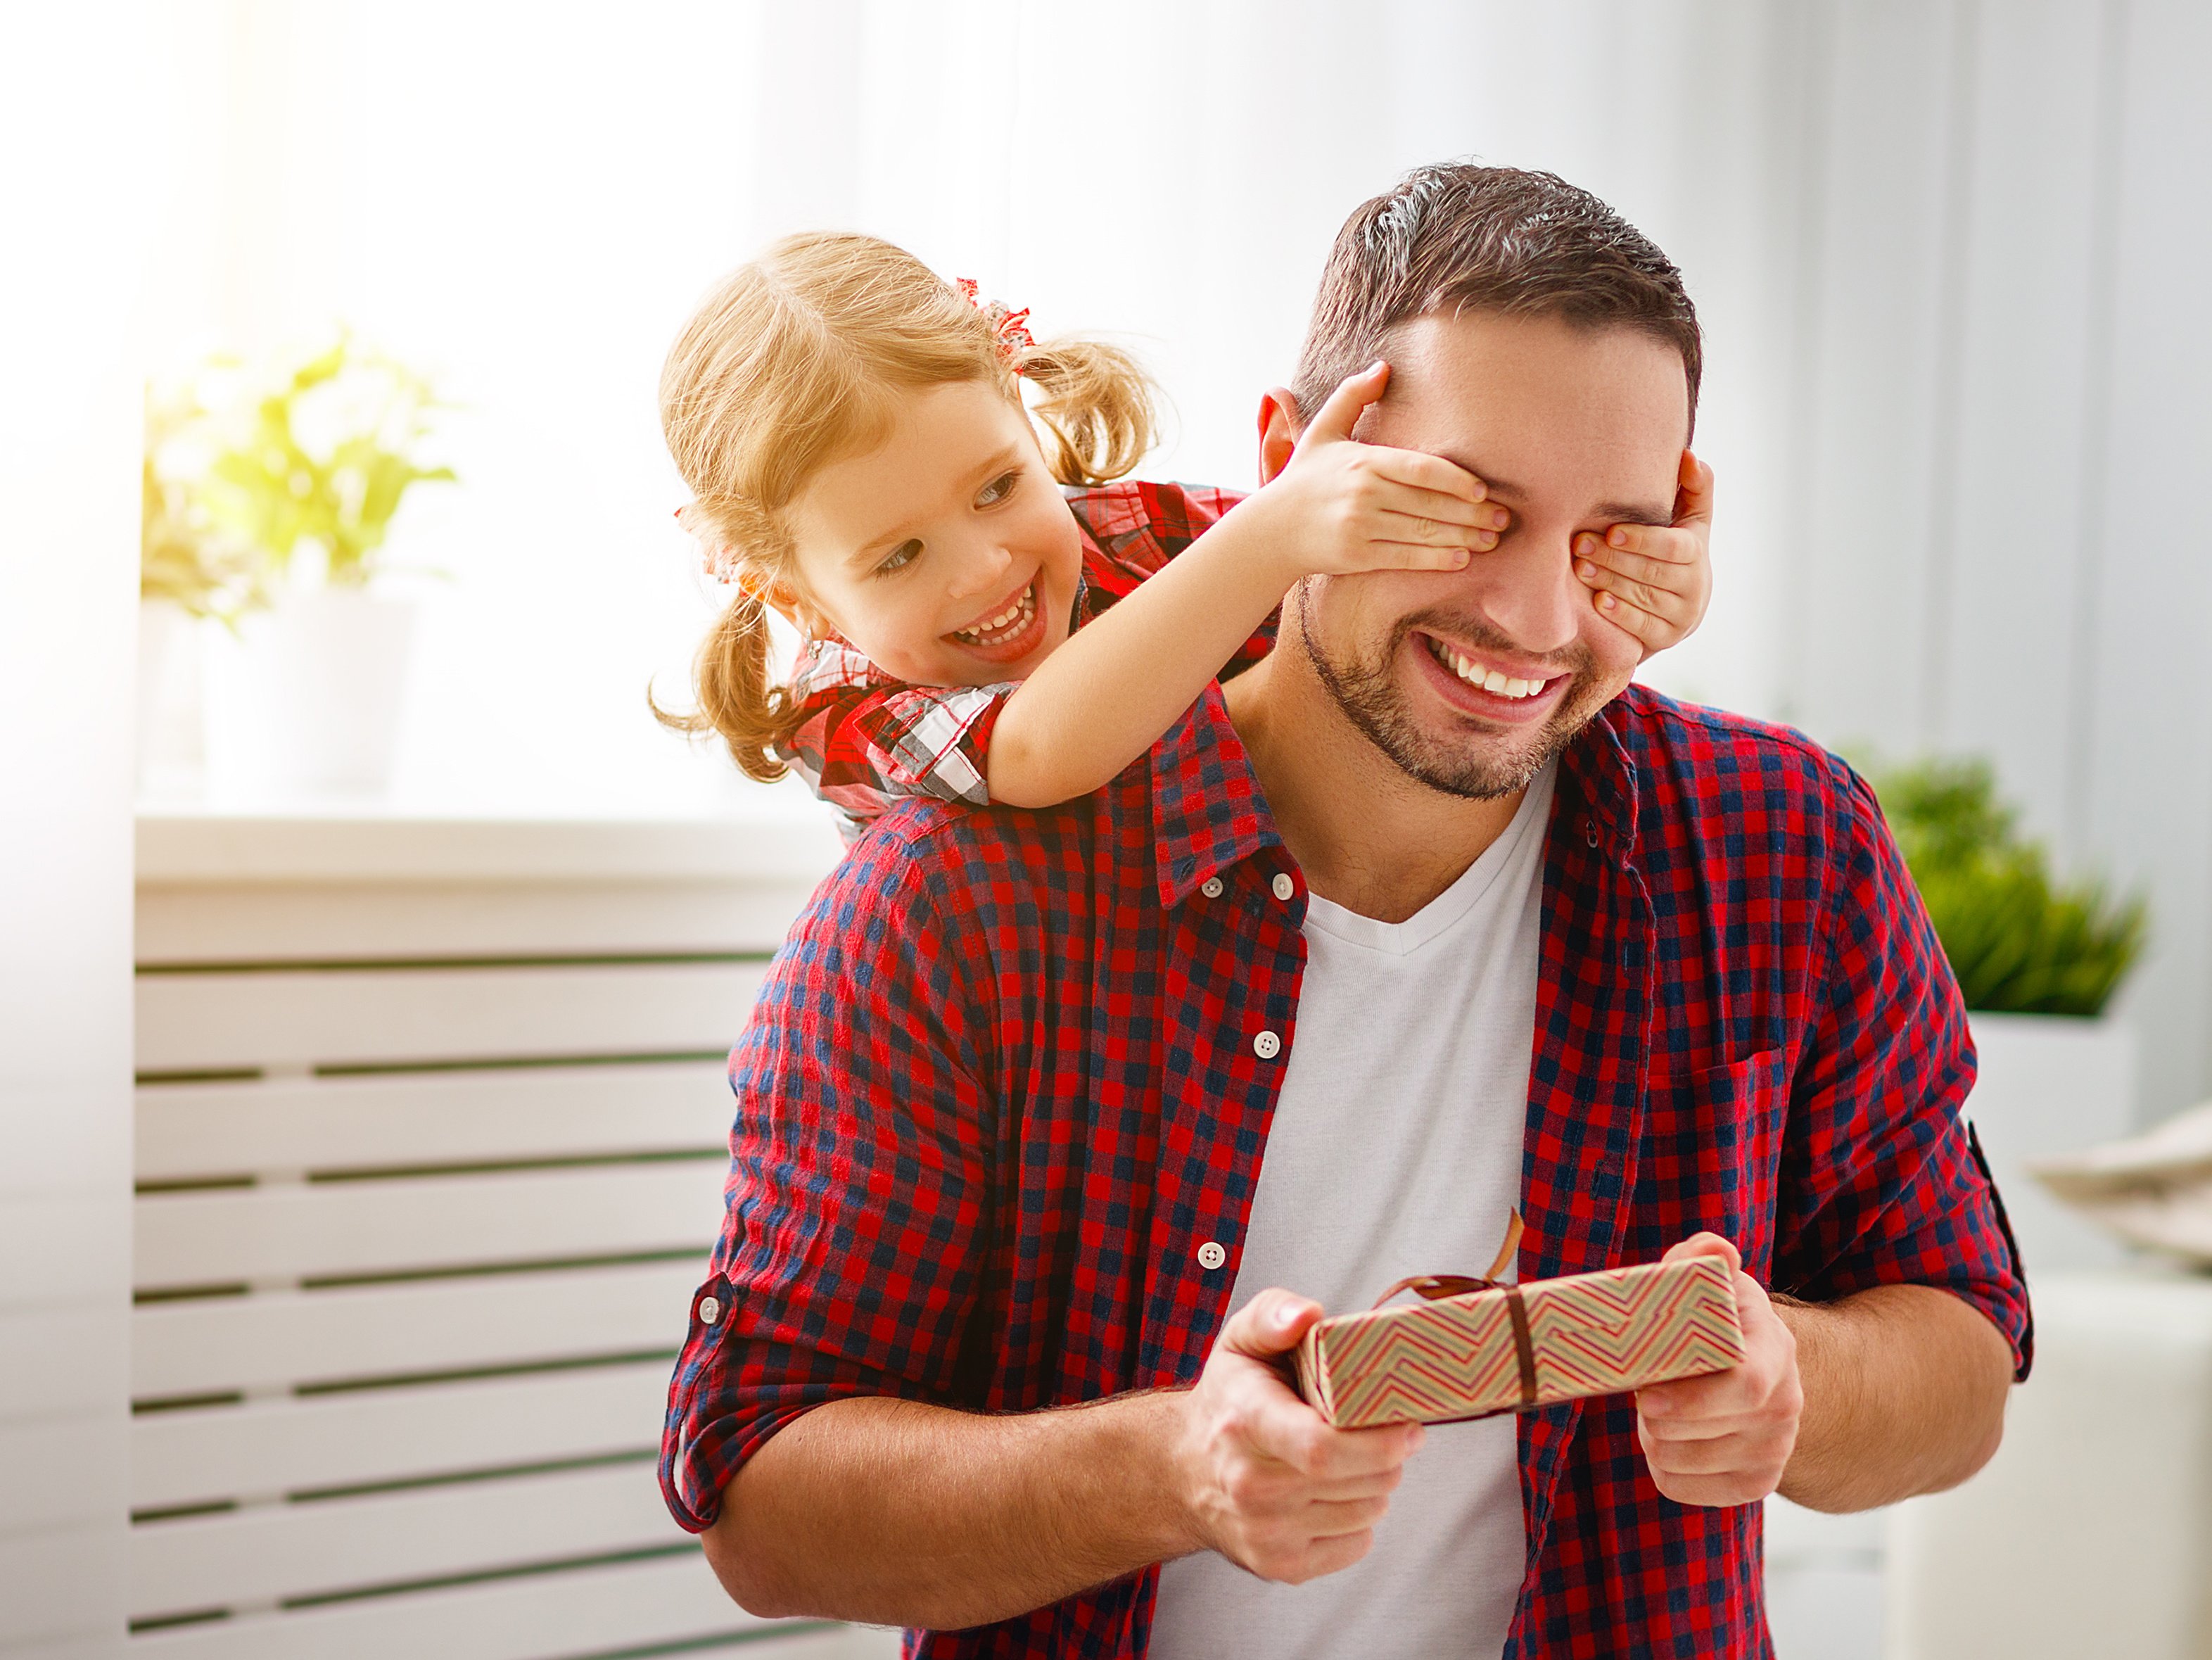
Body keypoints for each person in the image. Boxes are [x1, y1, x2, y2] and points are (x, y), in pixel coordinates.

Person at [659, 164, 2030, 1659]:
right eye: (1464, 512)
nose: (1535, 619)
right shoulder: (946, 908)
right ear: (1292, 469)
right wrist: (1172, 1466)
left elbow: (1963, 1353)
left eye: (1609, 540)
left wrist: (1794, 1380)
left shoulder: (1782, 846)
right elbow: (761, 1497)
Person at [656, 232, 1712, 839]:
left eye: (995, 489)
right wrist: (1272, 535)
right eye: (898, 556)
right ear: (797, 597)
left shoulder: (1134, 533)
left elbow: (1364, 583)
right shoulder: (846, 710)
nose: (986, 566)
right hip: (1043, 1023)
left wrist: (1618, 579)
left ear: (1027, 417)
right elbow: (1034, 748)